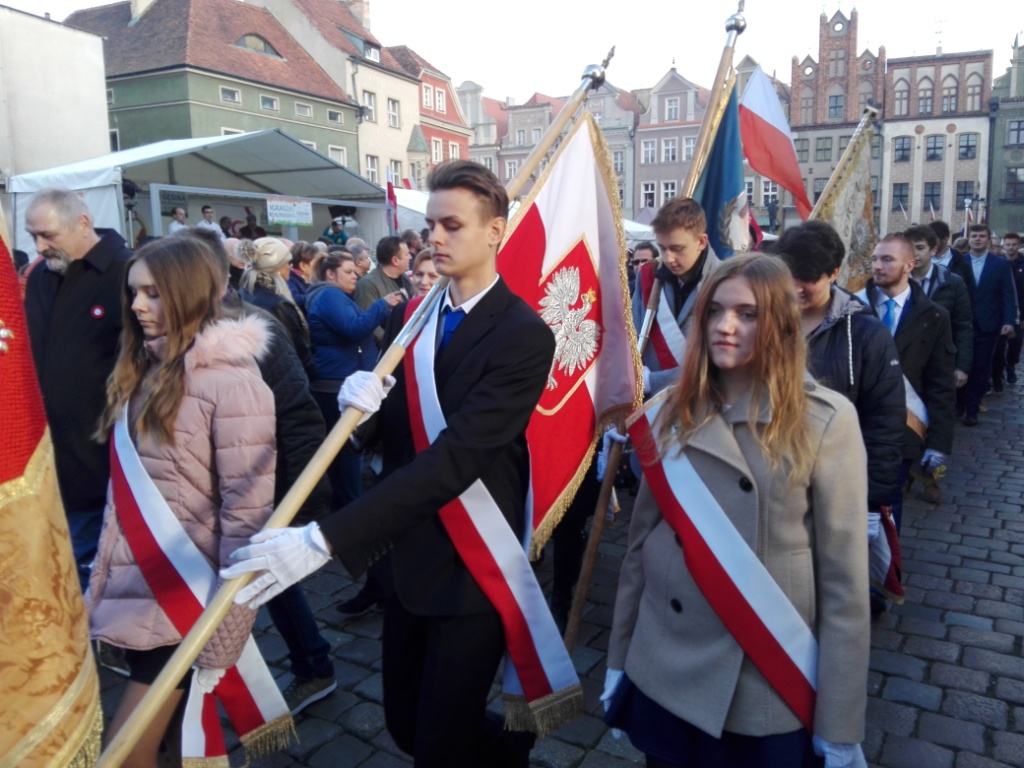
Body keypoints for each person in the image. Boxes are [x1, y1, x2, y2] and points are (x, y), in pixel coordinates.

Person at [224, 160, 582, 768]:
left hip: (471, 561)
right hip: (405, 554)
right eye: (429, 224)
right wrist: (358, 413)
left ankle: (508, 753)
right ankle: (506, 752)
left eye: (452, 225)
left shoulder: (523, 333)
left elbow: (457, 457)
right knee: (406, 722)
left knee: (439, 743)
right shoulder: (410, 316)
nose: (434, 238)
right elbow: (400, 437)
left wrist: (327, 539)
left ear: (495, 231)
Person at [606, 254, 869, 768]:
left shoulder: (826, 422)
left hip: (761, 679)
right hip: (663, 669)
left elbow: (844, 587)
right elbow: (640, 548)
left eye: (748, 314)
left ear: (779, 323)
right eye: (715, 311)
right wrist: (619, 661)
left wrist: (839, 723)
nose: (726, 326)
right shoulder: (665, 411)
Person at [86, 235, 291, 766]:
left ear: (189, 292)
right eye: (134, 292)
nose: (136, 305)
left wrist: (227, 628)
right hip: (139, 588)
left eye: (153, 293)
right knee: (182, 748)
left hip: (185, 601)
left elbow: (247, 515)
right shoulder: (143, 370)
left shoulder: (232, 384)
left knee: (126, 753)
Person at [23, 189, 133, 593]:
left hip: (98, 461)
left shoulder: (127, 273)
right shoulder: (39, 275)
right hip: (48, 461)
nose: (38, 246)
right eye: (33, 235)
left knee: (89, 577)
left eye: (48, 235)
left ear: (83, 224)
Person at [771, 221, 904, 527]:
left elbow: (884, 423)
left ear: (833, 273)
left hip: (835, 482)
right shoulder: (763, 321)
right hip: (773, 481)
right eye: (788, 277)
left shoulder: (866, 334)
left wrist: (872, 501)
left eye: (807, 279)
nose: (795, 288)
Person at [856, 235, 955, 529]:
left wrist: (938, 442)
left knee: (888, 503)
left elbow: (940, 384)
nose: (877, 265)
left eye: (887, 259)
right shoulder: (852, 307)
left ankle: (886, 571)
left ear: (909, 265)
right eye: (874, 259)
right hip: (854, 422)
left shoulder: (934, 316)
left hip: (902, 427)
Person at [305, 251, 402, 508]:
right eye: (348, 272)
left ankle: (346, 507)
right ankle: (349, 510)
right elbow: (354, 328)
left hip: (341, 380)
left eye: (355, 272)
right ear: (330, 274)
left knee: (347, 455)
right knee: (348, 455)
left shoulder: (334, 296)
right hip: (337, 384)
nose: (355, 276)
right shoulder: (329, 296)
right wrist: (382, 305)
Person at [631, 197, 721, 397]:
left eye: (677, 249)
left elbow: (719, 363)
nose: (668, 258)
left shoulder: (725, 282)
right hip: (651, 408)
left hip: (704, 401)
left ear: (701, 242)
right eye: (662, 248)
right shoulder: (648, 277)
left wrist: (651, 381)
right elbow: (633, 337)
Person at [950, 224, 1018, 425]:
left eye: (981, 236)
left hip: (988, 324)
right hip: (962, 323)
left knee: (981, 367)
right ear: (969, 239)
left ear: (988, 240)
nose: (977, 239)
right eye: (974, 236)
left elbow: (1007, 295)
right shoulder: (960, 262)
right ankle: (959, 404)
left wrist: (1009, 321)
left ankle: (973, 409)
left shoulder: (1000, 264)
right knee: (961, 364)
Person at [239, 237, 316, 381]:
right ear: (277, 267)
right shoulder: (279, 304)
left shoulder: (245, 292)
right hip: (285, 378)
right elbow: (298, 349)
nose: (290, 266)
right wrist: (313, 376)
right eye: (287, 262)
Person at [353, 235, 414, 347]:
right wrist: (391, 346)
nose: (410, 257)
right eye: (407, 254)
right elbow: (370, 325)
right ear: (395, 260)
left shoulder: (405, 279)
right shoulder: (368, 284)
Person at [993, 232, 1024, 389]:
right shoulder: (998, 262)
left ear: (1018, 245)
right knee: (999, 344)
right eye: (1008, 245)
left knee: (1016, 341)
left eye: (1014, 245)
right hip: (1000, 308)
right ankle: (998, 374)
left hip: (1018, 309)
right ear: (1004, 245)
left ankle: (1011, 365)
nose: (1011, 248)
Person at [289, 241, 318, 311]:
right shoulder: (290, 279)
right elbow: (294, 299)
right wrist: (319, 295)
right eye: (316, 263)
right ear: (303, 265)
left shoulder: (311, 279)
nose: (319, 266)